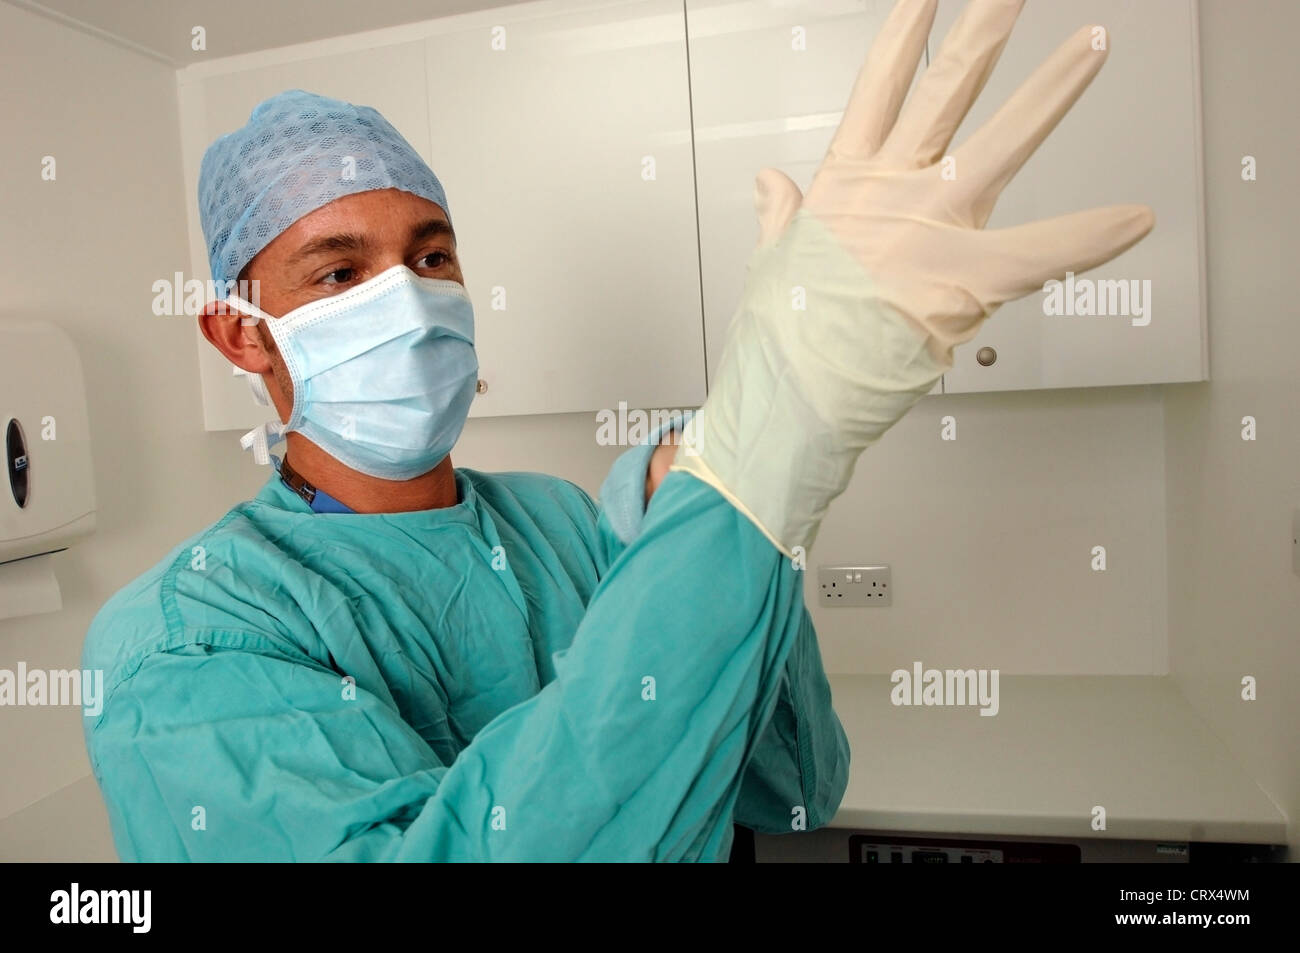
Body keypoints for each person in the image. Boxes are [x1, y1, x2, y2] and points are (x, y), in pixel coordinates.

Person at [82, 0, 1151, 861]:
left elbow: (791, 788)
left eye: (432, 254)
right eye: (340, 271)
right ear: (239, 333)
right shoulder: (189, 637)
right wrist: (750, 451)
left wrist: (719, 476)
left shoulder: (554, 521)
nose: (405, 297)